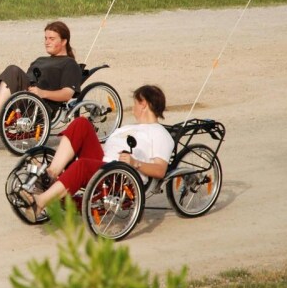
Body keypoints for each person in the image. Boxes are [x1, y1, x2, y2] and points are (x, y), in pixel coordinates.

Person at [18, 84, 175, 222]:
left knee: (83, 165)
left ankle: (39, 203)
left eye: (135, 103)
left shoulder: (160, 133)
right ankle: (50, 175)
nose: (133, 108)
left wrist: (135, 163)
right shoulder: (127, 128)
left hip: (119, 176)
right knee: (82, 123)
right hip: (104, 164)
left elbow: (160, 170)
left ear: (143, 104)